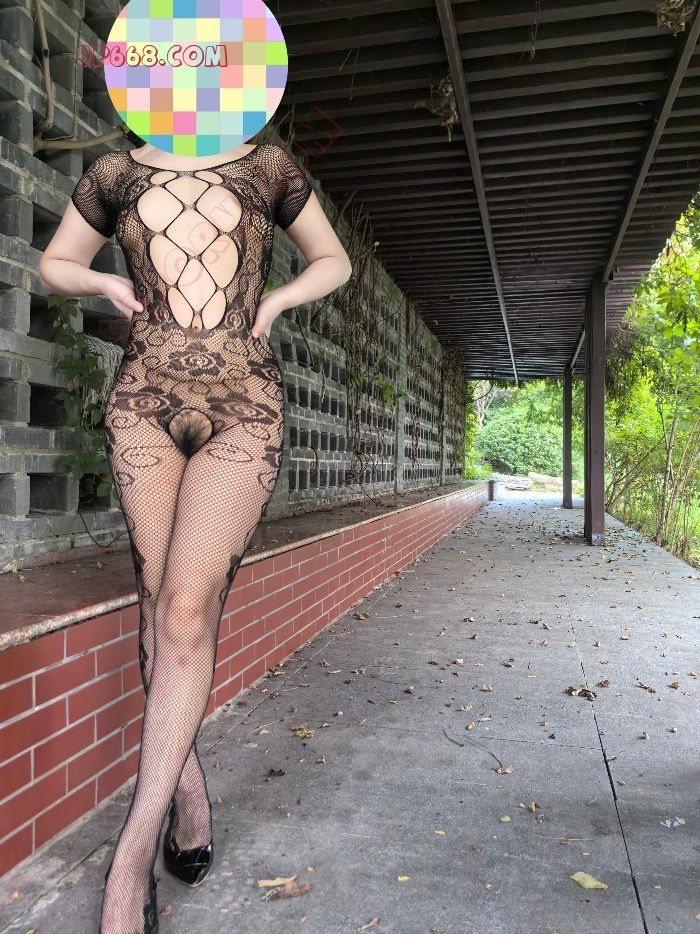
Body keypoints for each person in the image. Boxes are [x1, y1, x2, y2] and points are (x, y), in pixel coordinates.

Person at [38, 138, 352, 933]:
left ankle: (129, 861)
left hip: (243, 403)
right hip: (142, 400)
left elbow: (334, 260)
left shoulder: (267, 166)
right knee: (157, 607)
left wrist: (276, 303)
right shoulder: (116, 171)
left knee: (184, 610)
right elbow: (56, 264)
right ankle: (187, 793)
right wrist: (104, 280)